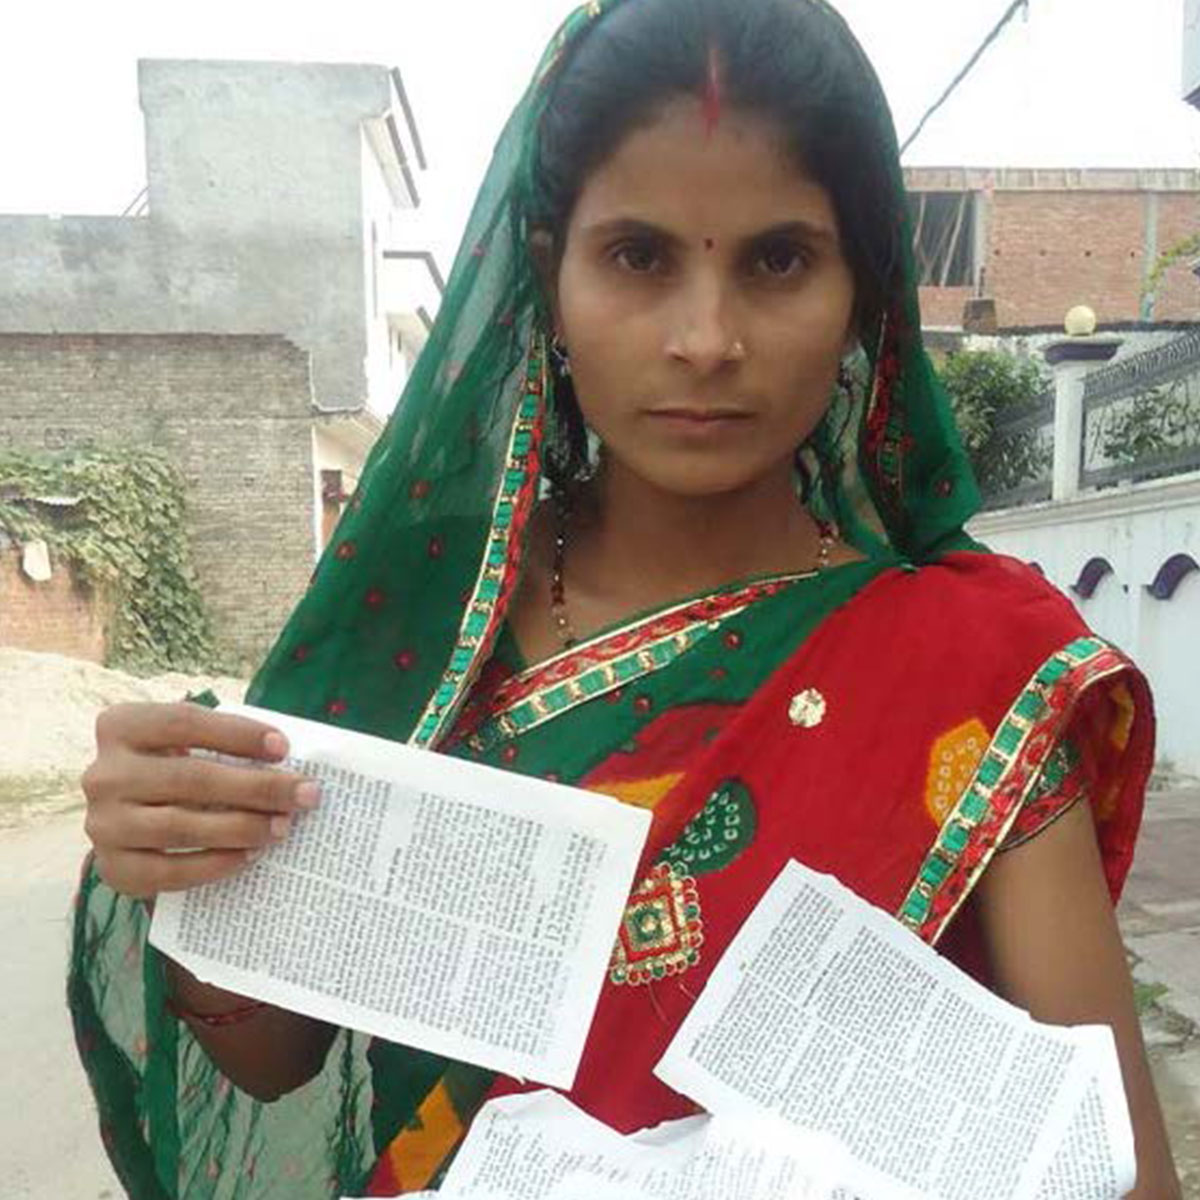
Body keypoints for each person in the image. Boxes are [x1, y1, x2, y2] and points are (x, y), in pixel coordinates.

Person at [70, 0, 1181, 1195]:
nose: (705, 339)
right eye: (639, 256)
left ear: (862, 293)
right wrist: (184, 845)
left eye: (779, 260)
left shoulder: (973, 666)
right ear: (551, 280)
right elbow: (275, 1056)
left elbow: (1115, 1175)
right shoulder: (428, 622)